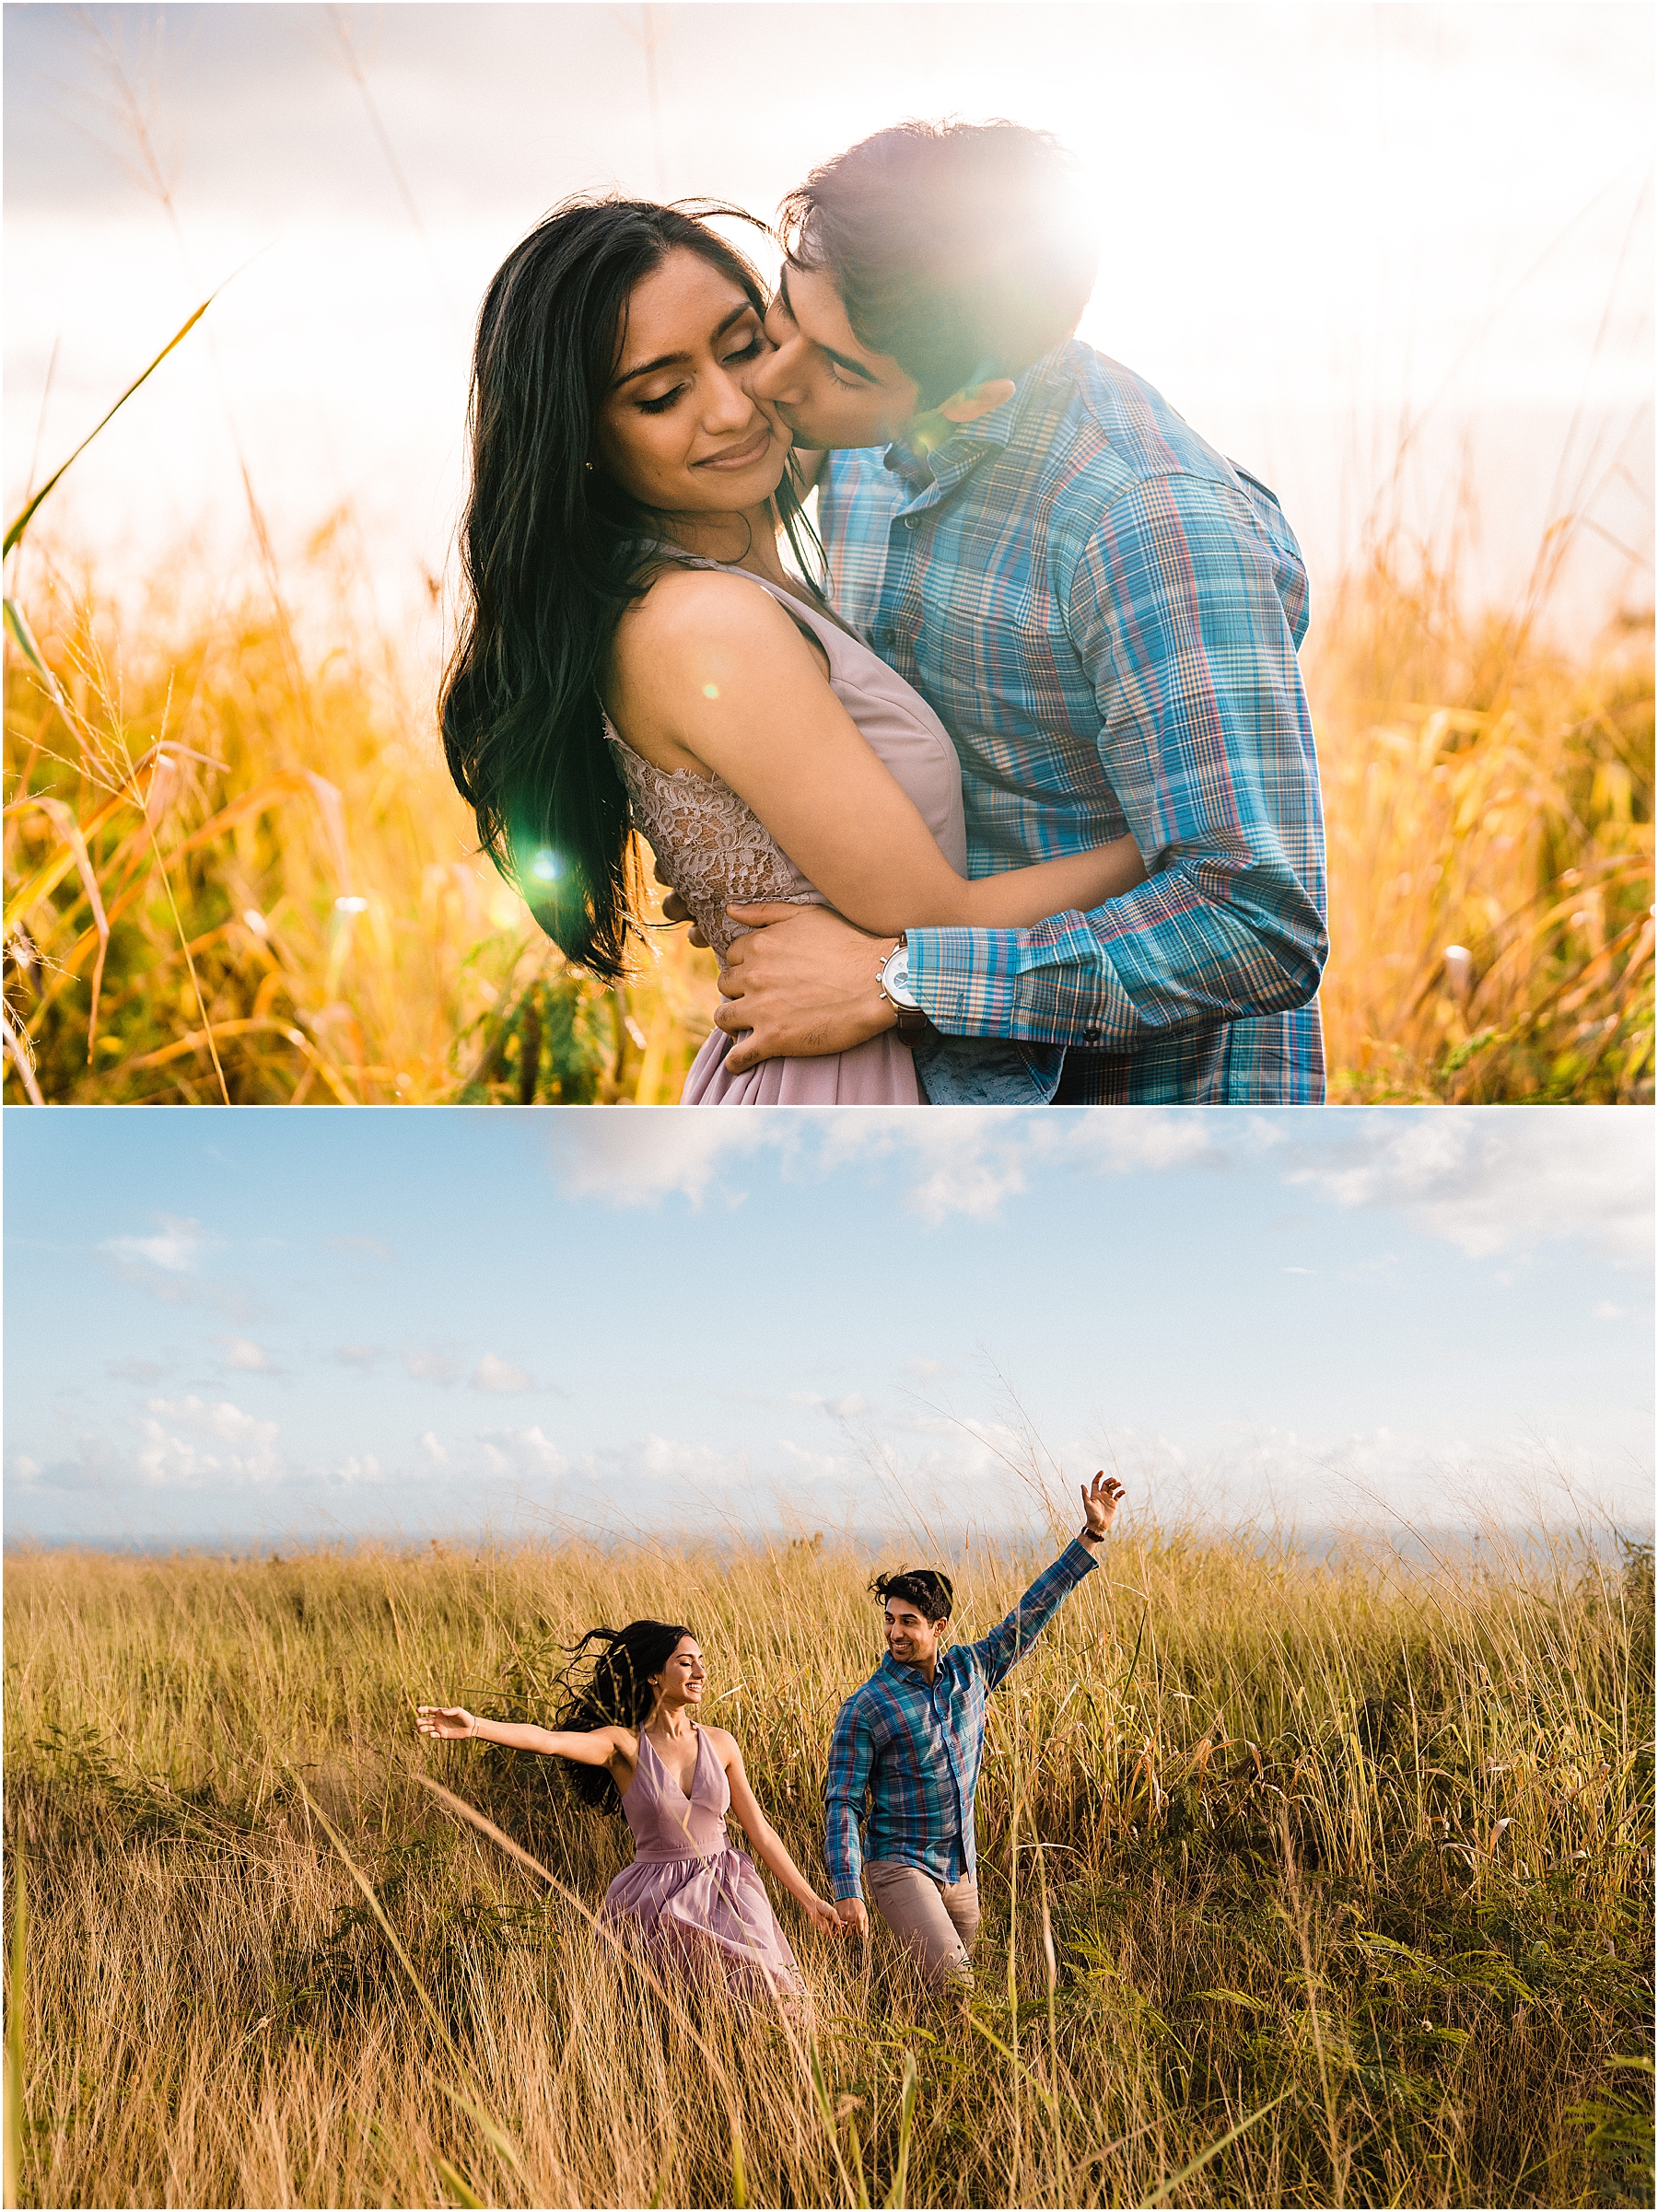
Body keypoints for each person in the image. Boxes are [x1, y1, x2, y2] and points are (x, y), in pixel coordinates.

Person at [438, 195, 1147, 1103]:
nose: (736, 407)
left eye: (741, 346)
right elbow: (938, 917)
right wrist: (1179, 843)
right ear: (580, 439)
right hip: (837, 1088)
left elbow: (867, 350)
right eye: (661, 394)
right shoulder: (704, 625)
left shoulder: (724, 540)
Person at [698, 119, 1328, 1104]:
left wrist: (902, 980)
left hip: (1138, 1135)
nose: (772, 382)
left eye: (844, 369)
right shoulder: (854, 416)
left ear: (975, 396)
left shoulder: (1147, 525)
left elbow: (1258, 921)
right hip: (925, 1114)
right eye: (788, 312)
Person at [416, 1619, 839, 2012]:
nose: (700, 1672)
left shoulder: (721, 1743)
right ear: (655, 1675)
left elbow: (761, 1832)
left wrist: (811, 1901)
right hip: (653, 1897)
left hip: (727, 1886)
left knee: (767, 1992)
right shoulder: (624, 1746)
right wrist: (475, 1727)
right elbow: (547, 1741)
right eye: (685, 1662)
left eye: (702, 1662)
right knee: (664, 2008)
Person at [824, 1473, 1125, 1992]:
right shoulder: (866, 1707)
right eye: (891, 1619)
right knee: (959, 1991)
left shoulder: (972, 1671)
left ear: (938, 1628)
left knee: (953, 2001)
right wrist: (848, 1886)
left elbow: (1030, 1615)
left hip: (961, 1869)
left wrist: (1090, 1537)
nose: (895, 1631)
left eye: (910, 1621)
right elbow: (843, 1804)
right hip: (900, 1864)